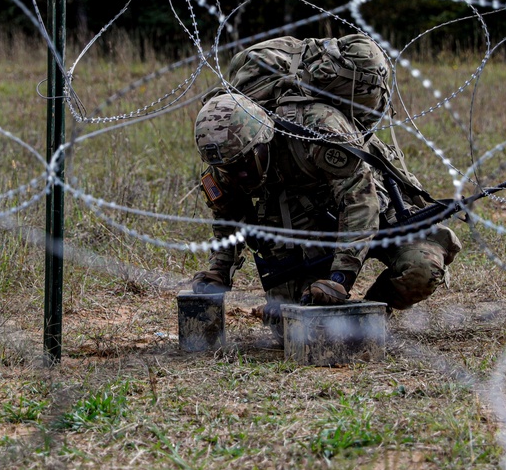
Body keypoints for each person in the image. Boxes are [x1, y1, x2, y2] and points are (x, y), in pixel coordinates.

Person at [188, 91, 462, 337]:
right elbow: (227, 219)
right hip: (309, 230)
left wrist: (340, 279)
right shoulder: (224, 162)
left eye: (246, 163)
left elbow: (360, 204)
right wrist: (218, 272)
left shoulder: (317, 131)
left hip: (375, 214)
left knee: (422, 269)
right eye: (230, 169)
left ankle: (373, 314)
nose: (241, 175)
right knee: (294, 327)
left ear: (264, 138)